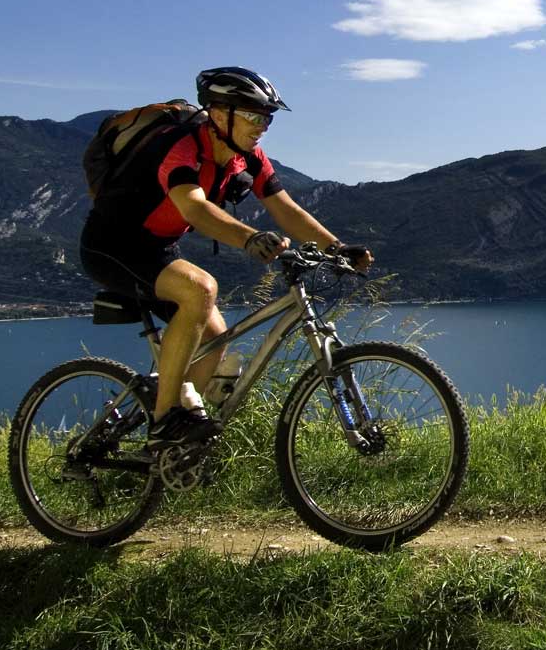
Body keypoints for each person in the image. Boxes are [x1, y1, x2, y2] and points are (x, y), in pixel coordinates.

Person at [79, 66, 372, 444]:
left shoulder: (247, 158)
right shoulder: (179, 147)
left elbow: (285, 208)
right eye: (252, 115)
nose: (262, 125)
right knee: (202, 289)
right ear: (218, 114)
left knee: (215, 336)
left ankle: (175, 442)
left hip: (156, 248)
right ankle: (165, 420)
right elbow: (195, 209)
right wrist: (251, 239)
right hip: (112, 245)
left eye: (266, 117)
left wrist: (337, 248)